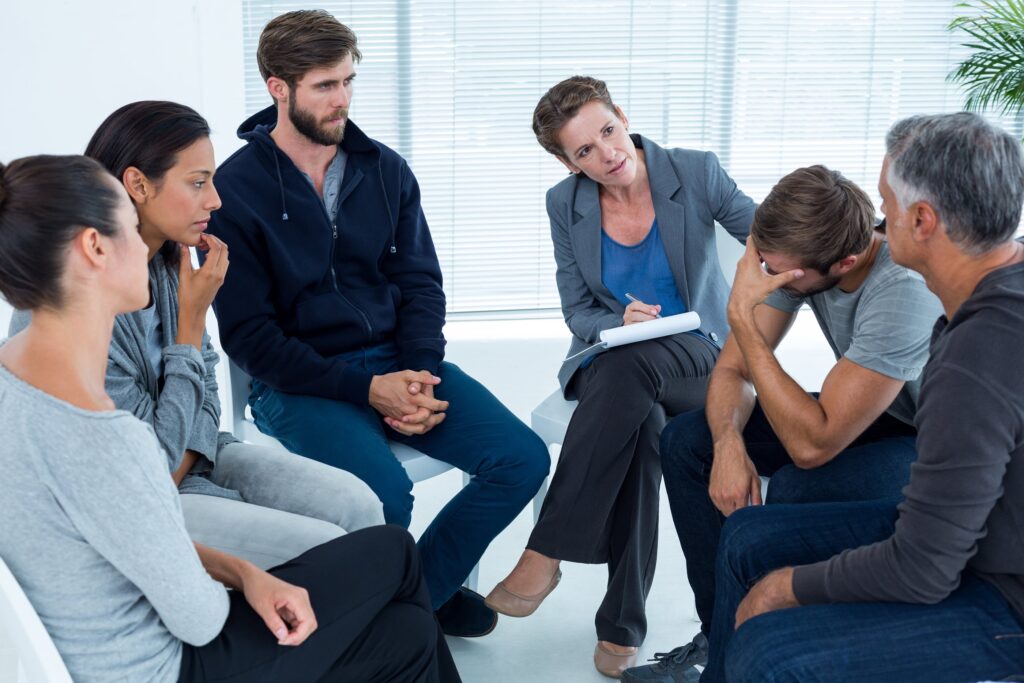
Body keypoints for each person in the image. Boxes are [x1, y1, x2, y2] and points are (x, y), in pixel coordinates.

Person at [0, 153, 460, 683]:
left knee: (407, 634)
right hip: (164, 666)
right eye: (129, 226)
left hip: (108, 643)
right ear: (94, 247)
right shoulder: (105, 436)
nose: (146, 246)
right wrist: (245, 582)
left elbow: (123, 536)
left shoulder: (19, 384)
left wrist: (243, 572)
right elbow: (199, 620)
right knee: (396, 552)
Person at [205, 9, 549, 636]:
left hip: (399, 361)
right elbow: (251, 339)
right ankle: (404, 617)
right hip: (300, 387)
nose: (343, 101)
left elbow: (420, 282)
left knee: (520, 459)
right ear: (277, 86)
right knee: (384, 495)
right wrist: (367, 391)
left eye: (348, 81)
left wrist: (416, 369)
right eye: (325, 86)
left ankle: (415, 602)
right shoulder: (235, 190)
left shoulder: (384, 168)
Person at [696, 113, 1024, 682]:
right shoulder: (985, 297)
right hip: (976, 532)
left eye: (885, 203)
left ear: (922, 220)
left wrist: (784, 589)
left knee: (769, 652)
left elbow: (924, 568)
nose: (876, 221)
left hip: (1005, 588)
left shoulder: (975, 353)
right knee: (747, 538)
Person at [10, 100, 386, 569]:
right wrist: (189, 327)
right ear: (138, 185)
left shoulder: (170, 265)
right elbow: (148, 469)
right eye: (198, 183)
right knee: (327, 548)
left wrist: (187, 449)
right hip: (140, 497)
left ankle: (393, 618)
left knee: (362, 506)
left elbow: (206, 393)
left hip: (201, 453)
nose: (216, 200)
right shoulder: (74, 304)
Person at [623, 165, 943, 682]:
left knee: (798, 485)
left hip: (937, 445)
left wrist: (741, 316)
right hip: (879, 410)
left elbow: (813, 447)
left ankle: (751, 659)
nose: (765, 276)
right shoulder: (796, 255)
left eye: (778, 272)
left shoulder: (904, 290)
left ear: (846, 262)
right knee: (687, 440)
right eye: (762, 261)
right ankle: (720, 638)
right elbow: (731, 369)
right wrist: (728, 442)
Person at [484, 75, 755, 678]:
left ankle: (546, 551)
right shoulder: (566, 204)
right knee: (640, 421)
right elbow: (577, 310)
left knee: (630, 370)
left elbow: (769, 241)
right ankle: (622, 624)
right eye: (584, 150)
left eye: (608, 131)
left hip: (704, 357)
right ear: (566, 162)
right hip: (622, 363)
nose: (607, 154)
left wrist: (755, 318)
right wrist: (617, 318)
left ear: (622, 116)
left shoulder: (696, 170)